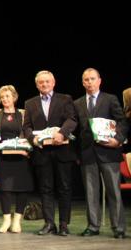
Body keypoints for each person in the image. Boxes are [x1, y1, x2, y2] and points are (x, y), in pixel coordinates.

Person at [74, 68, 128, 238]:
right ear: (83, 82)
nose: (89, 82)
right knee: (91, 192)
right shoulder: (78, 103)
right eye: (86, 80)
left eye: (92, 79)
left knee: (113, 191)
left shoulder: (110, 99)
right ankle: (93, 226)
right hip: (87, 153)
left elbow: (122, 121)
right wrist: (77, 154)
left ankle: (118, 228)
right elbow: (76, 131)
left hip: (109, 151)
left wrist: (118, 139)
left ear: (99, 81)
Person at [23, 70, 77, 236]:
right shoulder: (30, 103)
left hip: (62, 150)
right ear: (37, 84)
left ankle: (63, 224)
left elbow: (72, 119)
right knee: (46, 189)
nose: (44, 84)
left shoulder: (65, 99)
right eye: (41, 82)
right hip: (42, 152)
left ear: (53, 83)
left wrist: (62, 133)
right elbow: (26, 127)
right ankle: (49, 223)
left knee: (65, 188)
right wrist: (33, 138)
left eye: (47, 81)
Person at [0, 85, 34, 233]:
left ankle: (17, 220)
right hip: (3, 157)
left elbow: (28, 133)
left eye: (7, 96)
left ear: (14, 97)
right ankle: (6, 220)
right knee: (5, 189)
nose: (5, 99)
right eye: (2, 97)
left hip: (21, 156)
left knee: (22, 188)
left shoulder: (23, 113)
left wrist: (27, 150)